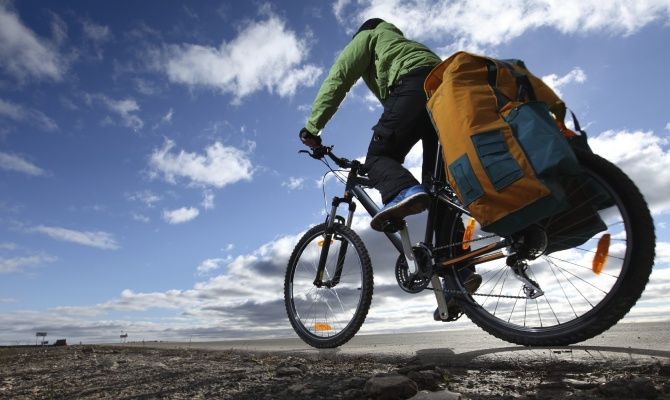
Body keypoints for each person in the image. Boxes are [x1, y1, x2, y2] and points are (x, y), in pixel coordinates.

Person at [299, 18, 441, 232]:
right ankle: (453, 258)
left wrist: (312, 128)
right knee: (437, 188)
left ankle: (403, 191)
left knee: (378, 158)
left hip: (413, 83)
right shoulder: (398, 42)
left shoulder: (367, 37)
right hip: (444, 91)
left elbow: (338, 79)